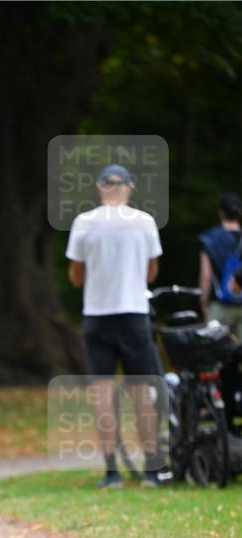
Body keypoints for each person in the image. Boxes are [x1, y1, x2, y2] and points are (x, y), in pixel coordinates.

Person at [66, 163, 169, 488]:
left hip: (97, 315)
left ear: (100, 187)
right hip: (134, 314)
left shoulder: (84, 222)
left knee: (102, 394)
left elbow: (76, 275)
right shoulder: (145, 222)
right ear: (129, 187)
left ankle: (112, 472)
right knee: (142, 391)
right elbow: (151, 272)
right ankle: (152, 469)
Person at [199, 192, 242, 338]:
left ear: (221, 213)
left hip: (220, 304)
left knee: (214, 352)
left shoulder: (210, 238)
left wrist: (204, 302)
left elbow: (206, 276)